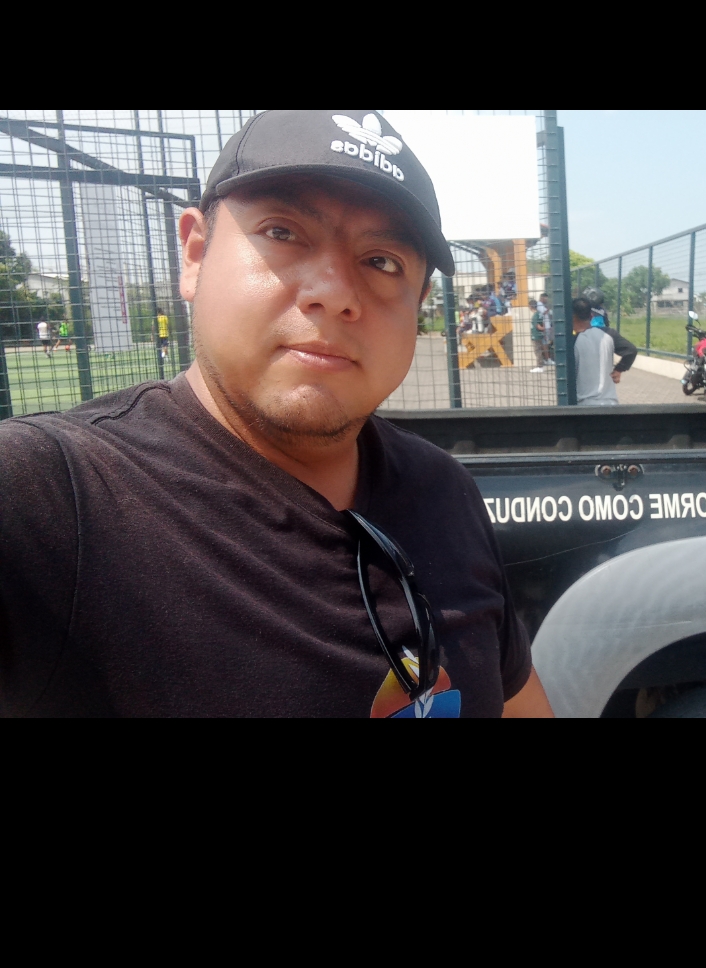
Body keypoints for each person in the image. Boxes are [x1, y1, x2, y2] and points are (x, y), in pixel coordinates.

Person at [0, 110, 553, 720]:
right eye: (283, 232)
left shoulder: (443, 489)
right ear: (196, 253)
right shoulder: (47, 496)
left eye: (382, 261)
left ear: (419, 303)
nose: (335, 293)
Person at [582, 287, 638, 379]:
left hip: (587, 333)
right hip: (604, 334)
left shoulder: (580, 328)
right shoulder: (602, 311)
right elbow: (631, 350)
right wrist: (619, 369)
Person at [572, 297, 619, 405]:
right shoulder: (608, 335)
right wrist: (619, 369)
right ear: (591, 316)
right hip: (611, 402)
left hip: (585, 403)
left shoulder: (574, 341)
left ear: (572, 317)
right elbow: (631, 350)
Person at [155, 307, 171, 373]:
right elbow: (168, 325)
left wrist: (152, 335)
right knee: (165, 347)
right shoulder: (164, 317)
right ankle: (164, 357)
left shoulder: (157, 318)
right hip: (164, 334)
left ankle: (163, 357)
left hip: (160, 335)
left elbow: (153, 327)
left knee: (164, 348)